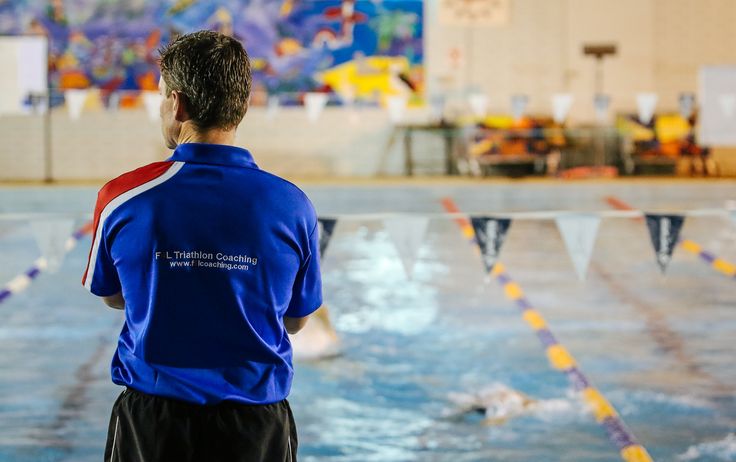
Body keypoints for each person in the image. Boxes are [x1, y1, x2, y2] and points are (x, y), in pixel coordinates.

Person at [82, 30, 322, 462]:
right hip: (256, 423)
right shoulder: (291, 205)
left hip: (153, 423)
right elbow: (298, 320)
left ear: (177, 103)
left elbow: (113, 296)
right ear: (242, 105)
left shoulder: (123, 198)